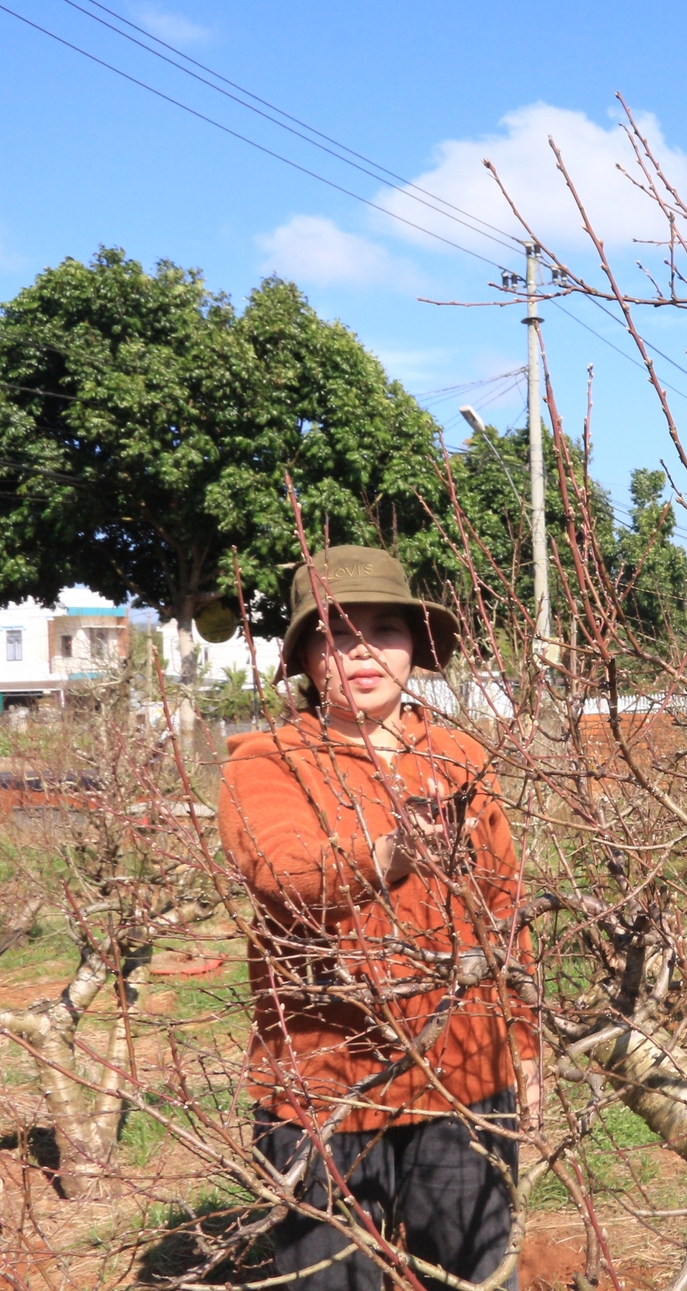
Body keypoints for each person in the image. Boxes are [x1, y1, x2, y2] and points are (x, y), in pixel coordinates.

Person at [219, 545, 537, 1291]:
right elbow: (282, 873)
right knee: (330, 1281)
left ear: (416, 646)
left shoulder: (462, 756)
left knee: (478, 1274)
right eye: (332, 632)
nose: (360, 650)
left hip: (463, 1070)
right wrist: (384, 854)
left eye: (384, 628)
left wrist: (521, 1036)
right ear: (302, 656)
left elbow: (504, 906)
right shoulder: (265, 762)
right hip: (323, 1078)